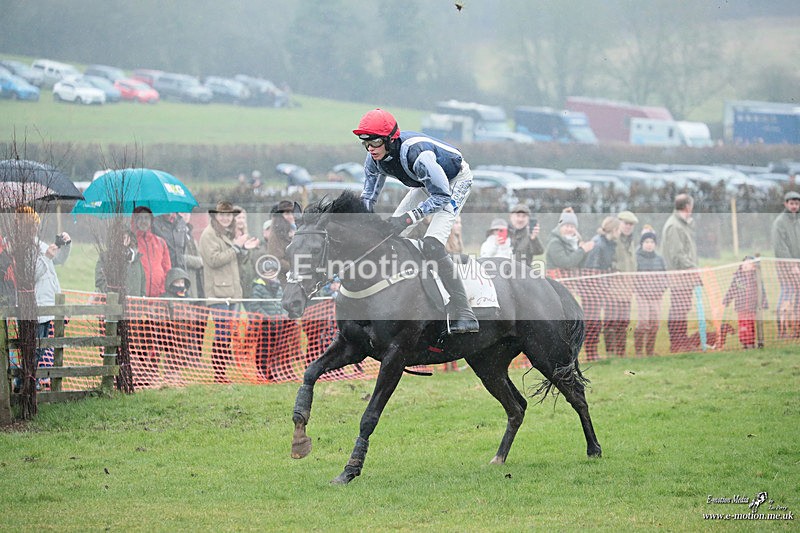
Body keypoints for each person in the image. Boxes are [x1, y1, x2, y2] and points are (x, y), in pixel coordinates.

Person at [354, 108, 478, 333]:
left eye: (374, 143)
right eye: (365, 144)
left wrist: (409, 219)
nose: (370, 149)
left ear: (390, 140)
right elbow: (368, 198)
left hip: (454, 183)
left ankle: (463, 310)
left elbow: (441, 196)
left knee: (431, 244)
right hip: (425, 183)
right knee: (386, 237)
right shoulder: (373, 160)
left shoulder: (417, 156)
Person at [199, 200, 259, 383]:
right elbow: (213, 260)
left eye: (228, 215)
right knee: (222, 333)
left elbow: (236, 261)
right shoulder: (208, 235)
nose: (226, 218)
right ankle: (219, 374)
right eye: (222, 215)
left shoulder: (226, 234)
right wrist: (236, 247)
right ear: (216, 216)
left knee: (228, 333)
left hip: (232, 292)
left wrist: (244, 249)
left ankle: (222, 372)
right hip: (218, 293)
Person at [22, 207, 72, 389]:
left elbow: (59, 261)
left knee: (41, 349)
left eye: (34, 224)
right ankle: (24, 382)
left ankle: (27, 383)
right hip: (35, 306)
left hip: (48, 305)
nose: (32, 228)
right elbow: (30, 276)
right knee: (35, 349)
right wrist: (46, 257)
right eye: (28, 225)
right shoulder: (21, 249)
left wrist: (65, 245)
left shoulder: (40, 244)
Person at [661, 193, 699, 353]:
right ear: (688, 206)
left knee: (683, 309)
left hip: (685, 276)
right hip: (679, 276)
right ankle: (676, 342)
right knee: (678, 309)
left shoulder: (682, 224)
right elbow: (677, 255)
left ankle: (682, 340)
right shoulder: (675, 226)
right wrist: (692, 267)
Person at [581, 216, 620, 360]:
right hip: (591, 291)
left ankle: (594, 352)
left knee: (597, 322)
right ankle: (591, 353)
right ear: (614, 230)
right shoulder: (598, 244)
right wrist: (601, 288)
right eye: (618, 230)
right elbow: (592, 269)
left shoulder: (609, 243)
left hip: (601, 289)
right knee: (592, 322)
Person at [605, 210, 638, 357]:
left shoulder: (631, 242)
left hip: (627, 291)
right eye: (626, 223)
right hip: (612, 291)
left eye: (631, 224)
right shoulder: (612, 241)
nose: (628, 227)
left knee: (624, 323)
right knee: (611, 323)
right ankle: (610, 352)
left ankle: (620, 352)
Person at [634, 226, 667, 357]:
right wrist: (639, 290)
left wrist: (661, 289)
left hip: (656, 296)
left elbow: (665, 277)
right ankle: (638, 351)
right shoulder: (637, 258)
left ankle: (650, 351)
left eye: (652, 242)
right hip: (642, 296)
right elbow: (634, 276)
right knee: (643, 323)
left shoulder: (659, 259)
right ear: (642, 243)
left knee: (655, 323)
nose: (649, 245)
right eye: (646, 242)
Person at [771, 190, 800, 338]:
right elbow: (779, 247)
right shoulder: (779, 223)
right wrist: (791, 265)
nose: (794, 206)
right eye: (791, 203)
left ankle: (796, 329)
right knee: (787, 295)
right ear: (786, 204)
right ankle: (781, 330)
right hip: (786, 267)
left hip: (798, 265)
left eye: (796, 203)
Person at [722, 256, 768, 349]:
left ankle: (751, 342)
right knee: (743, 325)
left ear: (754, 266)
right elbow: (732, 289)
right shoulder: (738, 278)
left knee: (751, 325)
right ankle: (745, 343)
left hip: (752, 307)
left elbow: (761, 291)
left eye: (749, 263)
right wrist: (726, 300)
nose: (746, 265)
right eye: (744, 263)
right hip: (741, 307)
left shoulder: (756, 278)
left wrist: (764, 303)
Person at [131, 206, 171, 298]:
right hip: (138, 297)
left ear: (151, 220)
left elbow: (167, 269)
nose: (143, 221)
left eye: (146, 217)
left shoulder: (161, 242)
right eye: (140, 218)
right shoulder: (132, 243)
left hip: (158, 297)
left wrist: (162, 290)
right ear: (135, 221)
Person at [545, 207, 594, 277]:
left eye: (572, 227)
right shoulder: (554, 243)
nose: (569, 229)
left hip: (572, 280)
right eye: (567, 226)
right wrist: (582, 250)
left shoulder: (577, 242)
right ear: (560, 227)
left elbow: (581, 264)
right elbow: (565, 263)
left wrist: (586, 252)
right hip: (557, 280)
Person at [94, 230, 146, 297]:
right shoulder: (106, 257)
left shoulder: (136, 260)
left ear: (129, 239)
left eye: (124, 237)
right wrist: (112, 296)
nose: (121, 241)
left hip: (134, 305)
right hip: (112, 304)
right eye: (118, 237)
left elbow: (143, 282)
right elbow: (99, 280)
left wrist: (141, 301)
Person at [266, 200, 296, 286]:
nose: (291, 216)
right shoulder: (276, 234)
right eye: (287, 213)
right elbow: (275, 259)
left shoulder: (295, 230)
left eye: (292, 212)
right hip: (284, 280)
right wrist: (296, 267)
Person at [178, 211, 204, 299]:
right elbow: (180, 257)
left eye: (187, 212)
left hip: (198, 282)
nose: (185, 215)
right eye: (182, 212)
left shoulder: (189, 232)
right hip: (186, 280)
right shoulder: (177, 232)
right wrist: (199, 261)